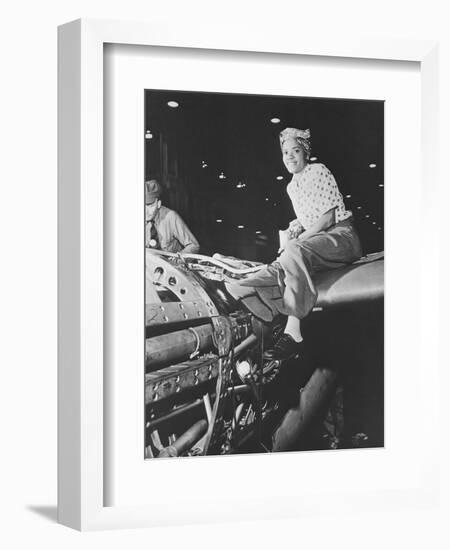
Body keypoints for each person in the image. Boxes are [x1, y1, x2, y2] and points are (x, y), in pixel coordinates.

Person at [226, 128, 362, 360]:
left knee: (293, 250)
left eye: (295, 151)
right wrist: (295, 226)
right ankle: (258, 298)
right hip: (320, 241)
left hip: (342, 237)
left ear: (305, 153)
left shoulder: (318, 170)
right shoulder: (292, 186)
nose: (289, 156)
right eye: (285, 152)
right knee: (278, 265)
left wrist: (297, 239)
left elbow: (327, 218)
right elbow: (312, 214)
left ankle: (294, 328)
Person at [145, 179, 200, 253]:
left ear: (158, 204)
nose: (146, 212)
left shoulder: (171, 217)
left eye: (150, 206)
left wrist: (178, 259)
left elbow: (193, 245)